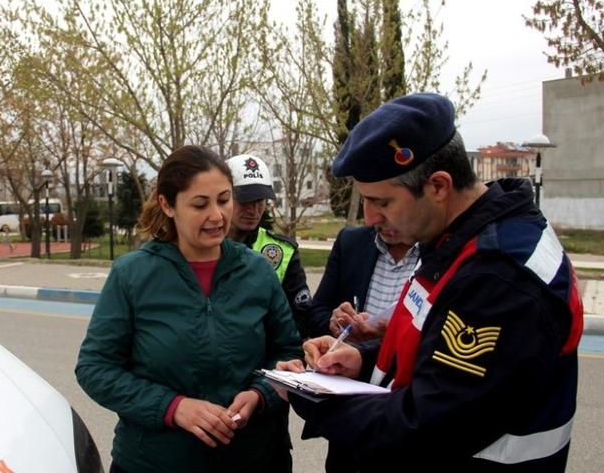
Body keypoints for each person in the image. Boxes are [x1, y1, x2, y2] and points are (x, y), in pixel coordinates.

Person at [279, 93, 584, 472]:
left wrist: (312, 396)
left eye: (383, 202)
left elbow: (430, 423)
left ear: (438, 186)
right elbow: (436, 352)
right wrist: (362, 360)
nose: (371, 217)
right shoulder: (455, 239)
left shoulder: (498, 276)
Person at [76, 145, 302, 473]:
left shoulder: (257, 271)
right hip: (153, 461)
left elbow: (288, 350)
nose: (217, 215)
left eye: (224, 200)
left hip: (255, 458)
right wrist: (173, 408)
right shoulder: (132, 274)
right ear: (168, 205)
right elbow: (95, 368)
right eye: (200, 204)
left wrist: (260, 394)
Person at [225, 154, 313, 338]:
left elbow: (302, 319)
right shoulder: (204, 245)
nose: (253, 210)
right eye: (244, 201)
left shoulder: (284, 251)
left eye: (259, 201)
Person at [306, 225, 418, 341]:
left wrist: (389, 338)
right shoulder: (351, 241)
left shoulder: (435, 256)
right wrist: (336, 323)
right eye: (367, 205)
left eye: (385, 205)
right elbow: (316, 314)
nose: (372, 219)